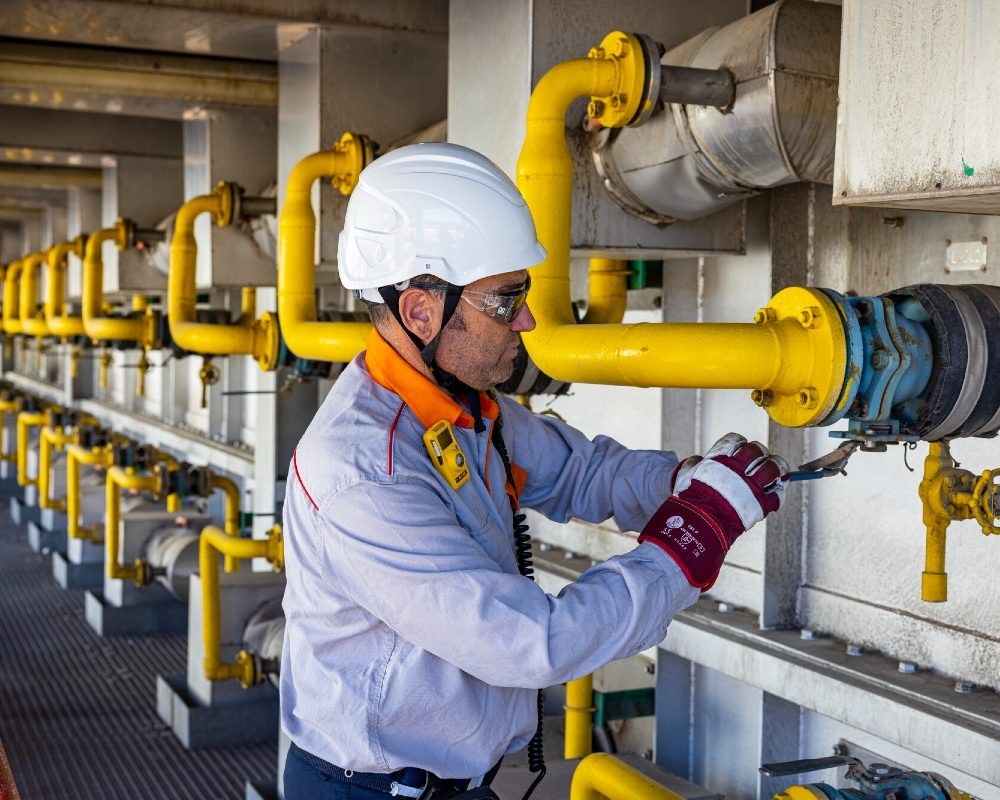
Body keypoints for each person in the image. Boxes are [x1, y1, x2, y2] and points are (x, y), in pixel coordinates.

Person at [279, 142, 788, 800]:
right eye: (504, 301)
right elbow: (532, 643)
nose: (527, 319)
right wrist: (696, 533)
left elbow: (577, 472)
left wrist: (684, 482)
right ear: (421, 311)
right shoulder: (366, 474)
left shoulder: (460, 409)